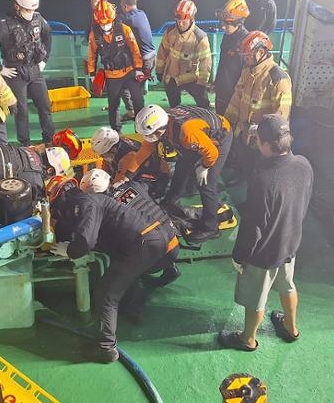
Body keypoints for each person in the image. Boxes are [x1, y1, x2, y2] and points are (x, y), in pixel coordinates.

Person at [47, 176, 179, 363]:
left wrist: (70, 251)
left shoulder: (87, 202)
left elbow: (86, 241)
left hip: (142, 243)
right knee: (126, 277)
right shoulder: (95, 199)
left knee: (106, 294)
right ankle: (132, 310)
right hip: (153, 239)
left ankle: (105, 347)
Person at [218, 114, 313, 351]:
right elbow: (304, 201)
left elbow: (254, 227)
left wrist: (240, 257)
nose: (256, 142)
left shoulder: (264, 180)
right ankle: (291, 329)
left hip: (264, 253)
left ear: (267, 145)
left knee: (256, 299)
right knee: (288, 285)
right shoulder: (303, 164)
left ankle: (247, 339)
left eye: (258, 139)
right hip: (291, 242)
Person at [123, 104, 232, 243]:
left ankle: (211, 228)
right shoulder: (162, 124)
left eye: (150, 135)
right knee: (182, 167)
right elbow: (143, 153)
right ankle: (171, 200)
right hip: (199, 135)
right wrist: (128, 176)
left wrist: (204, 167)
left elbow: (211, 153)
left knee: (206, 184)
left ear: (160, 129)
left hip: (220, 137)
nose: (148, 138)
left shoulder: (187, 134)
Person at [79, 169, 181, 289]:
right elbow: (149, 183)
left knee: (110, 241)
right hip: (174, 245)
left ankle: (133, 283)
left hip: (153, 260)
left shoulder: (102, 210)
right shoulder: (134, 185)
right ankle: (170, 268)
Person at [0, 0, 55, 145]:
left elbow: (48, 36)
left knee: (45, 106)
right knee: (21, 111)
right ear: (17, 6)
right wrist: (0, 69)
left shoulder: (38, 19)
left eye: (32, 10)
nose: (30, 13)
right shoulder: (4, 24)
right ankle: (25, 144)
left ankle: (49, 139)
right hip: (15, 72)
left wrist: (44, 61)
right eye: (27, 10)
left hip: (34, 68)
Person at [224, 31, 292, 179]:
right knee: (243, 157)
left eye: (248, 56)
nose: (245, 59)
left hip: (262, 140)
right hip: (243, 132)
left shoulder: (278, 78)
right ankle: (241, 173)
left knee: (258, 170)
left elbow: (281, 115)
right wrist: (227, 120)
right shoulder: (247, 71)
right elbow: (237, 96)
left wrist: (259, 130)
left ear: (261, 52)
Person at [87, 0, 146, 132]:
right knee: (113, 104)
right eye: (102, 24)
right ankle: (116, 132)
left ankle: (141, 130)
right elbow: (92, 54)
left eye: (108, 22)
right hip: (111, 74)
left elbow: (134, 49)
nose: (105, 26)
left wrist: (138, 69)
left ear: (113, 18)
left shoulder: (124, 29)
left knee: (138, 100)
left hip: (130, 71)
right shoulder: (94, 35)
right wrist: (92, 74)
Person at [156, 0, 212, 109]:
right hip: (172, 76)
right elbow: (163, 52)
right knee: (174, 105)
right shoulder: (169, 32)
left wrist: (202, 82)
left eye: (184, 20)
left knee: (203, 103)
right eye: (178, 19)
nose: (180, 23)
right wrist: (159, 71)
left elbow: (205, 62)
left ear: (192, 19)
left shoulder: (200, 37)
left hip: (191, 77)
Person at [90, 0, 135, 121]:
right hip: (111, 67)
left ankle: (131, 111)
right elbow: (92, 49)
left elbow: (132, 46)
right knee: (118, 93)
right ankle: (125, 116)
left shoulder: (121, 26)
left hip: (125, 65)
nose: (105, 26)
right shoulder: (96, 25)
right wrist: (92, 73)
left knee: (125, 90)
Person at [90, 126, 170, 197]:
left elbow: (118, 182)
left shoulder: (127, 158)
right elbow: (106, 166)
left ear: (113, 150)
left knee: (121, 194)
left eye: (103, 155)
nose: (101, 157)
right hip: (143, 171)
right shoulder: (116, 144)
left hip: (156, 179)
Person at [214, 0, 250, 115]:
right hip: (222, 89)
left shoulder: (247, 42)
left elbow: (247, 74)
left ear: (238, 23)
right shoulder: (227, 36)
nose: (223, 27)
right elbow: (223, 62)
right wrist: (217, 82)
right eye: (223, 23)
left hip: (235, 94)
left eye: (227, 23)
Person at [118, 0, 156, 82]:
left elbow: (115, 21)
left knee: (135, 89)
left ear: (125, 6)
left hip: (145, 60)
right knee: (139, 86)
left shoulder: (129, 19)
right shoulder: (142, 13)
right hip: (152, 56)